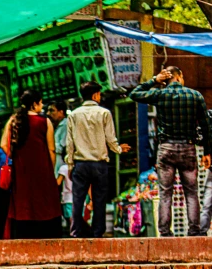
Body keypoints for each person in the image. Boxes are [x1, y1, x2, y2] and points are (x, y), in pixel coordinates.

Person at [130, 67, 212, 237]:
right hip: (188, 148)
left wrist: (154, 80)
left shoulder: (160, 95)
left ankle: (165, 233)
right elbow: (206, 126)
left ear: (166, 79)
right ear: (180, 76)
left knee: (165, 192)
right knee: (191, 191)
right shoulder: (195, 95)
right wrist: (207, 152)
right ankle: (194, 232)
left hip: (166, 149)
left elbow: (135, 93)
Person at [67, 81, 130, 238]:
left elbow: (70, 143)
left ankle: (76, 232)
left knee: (78, 200)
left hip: (80, 164)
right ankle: (97, 232)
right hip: (99, 164)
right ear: (95, 95)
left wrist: (70, 165)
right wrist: (119, 150)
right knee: (99, 200)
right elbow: (111, 138)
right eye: (99, 94)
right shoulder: (104, 113)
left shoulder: (73, 115)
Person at [1, 89, 62, 239]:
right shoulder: (44, 122)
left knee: (24, 205)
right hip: (43, 172)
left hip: (21, 172)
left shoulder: (14, 120)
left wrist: (17, 157)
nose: (42, 106)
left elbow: (4, 144)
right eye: (40, 103)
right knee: (45, 207)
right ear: (35, 104)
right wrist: (50, 169)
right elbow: (51, 149)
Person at [47, 100, 68, 175]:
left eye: (52, 111)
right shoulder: (53, 126)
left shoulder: (66, 125)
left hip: (62, 165)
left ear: (61, 112)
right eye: (48, 111)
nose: (48, 113)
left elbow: (62, 147)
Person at [57, 160, 73, 233]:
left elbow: (58, 182)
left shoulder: (64, 168)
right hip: (80, 199)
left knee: (70, 221)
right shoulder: (80, 167)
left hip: (68, 198)